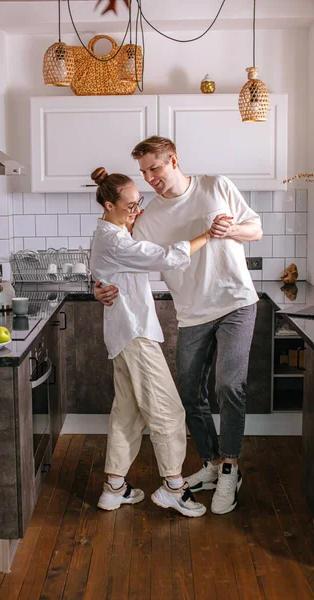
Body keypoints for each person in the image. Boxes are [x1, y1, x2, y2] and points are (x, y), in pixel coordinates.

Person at [94, 136, 263, 515]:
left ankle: (231, 467)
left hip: (236, 301)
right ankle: (212, 464)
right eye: (143, 172)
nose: (150, 177)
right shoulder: (147, 217)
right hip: (192, 312)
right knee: (190, 392)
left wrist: (230, 231)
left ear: (173, 160)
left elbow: (255, 229)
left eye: (154, 168)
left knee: (227, 383)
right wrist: (99, 288)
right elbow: (119, 254)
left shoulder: (215, 185)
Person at [90, 166, 213, 518]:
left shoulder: (111, 231)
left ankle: (114, 488)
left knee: (127, 414)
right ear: (110, 205)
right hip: (134, 333)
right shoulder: (115, 239)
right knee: (168, 411)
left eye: (138, 202)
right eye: (130, 206)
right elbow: (164, 257)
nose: (137, 210)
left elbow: (104, 268)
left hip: (124, 334)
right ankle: (174, 486)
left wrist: (99, 283)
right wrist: (208, 236)